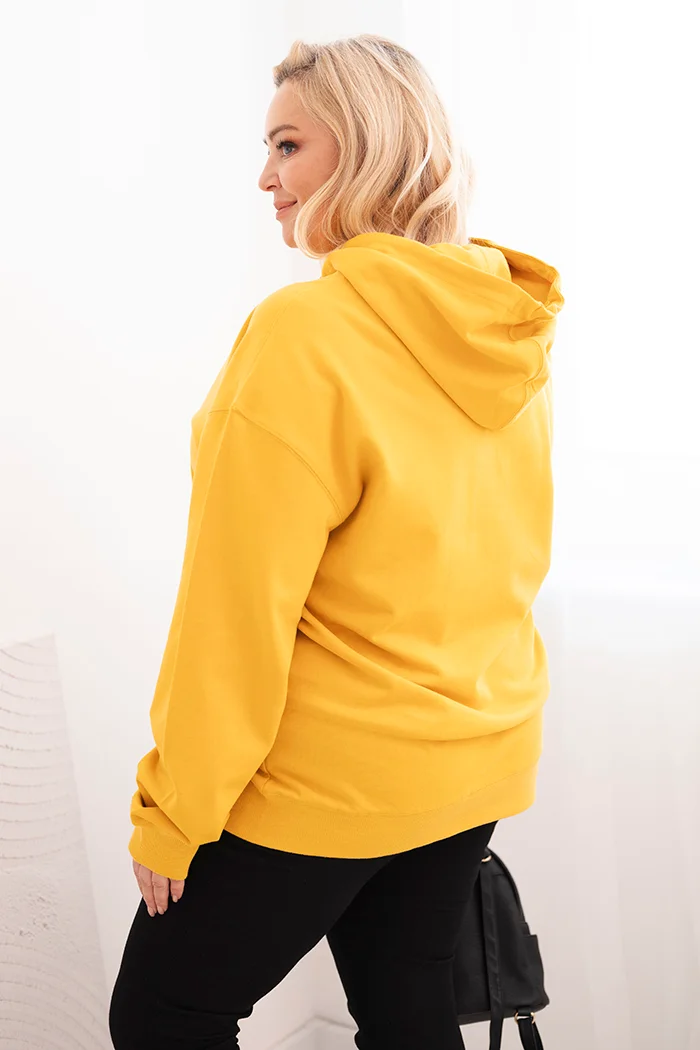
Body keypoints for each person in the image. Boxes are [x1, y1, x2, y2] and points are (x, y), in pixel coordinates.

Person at [109, 33, 565, 1050]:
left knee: (162, 1012)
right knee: (407, 1007)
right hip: (473, 755)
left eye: (288, 146)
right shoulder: (503, 326)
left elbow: (235, 612)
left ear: (362, 148)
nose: (264, 178)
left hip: (333, 774)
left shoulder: (303, 334)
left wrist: (172, 811)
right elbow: (506, 556)